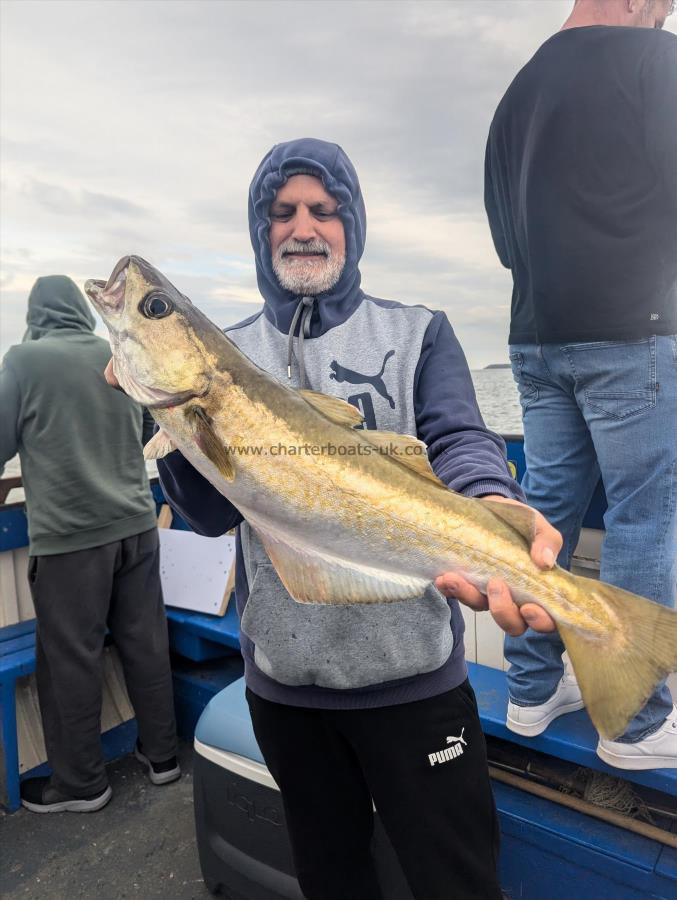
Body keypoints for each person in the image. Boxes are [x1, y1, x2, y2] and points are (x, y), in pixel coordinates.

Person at [154, 138, 561, 900]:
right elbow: (207, 513)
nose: (303, 227)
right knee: (331, 880)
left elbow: (458, 438)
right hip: (286, 690)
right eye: (282, 213)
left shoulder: (416, 334)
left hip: (413, 684)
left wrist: (491, 502)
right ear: (259, 228)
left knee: (458, 881)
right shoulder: (226, 353)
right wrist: (172, 422)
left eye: (323, 210)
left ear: (353, 224)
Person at [484, 0, 677, 769]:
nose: (662, 24)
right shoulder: (653, 64)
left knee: (543, 515)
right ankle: (632, 724)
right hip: (633, 332)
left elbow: (505, 239)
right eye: (661, 10)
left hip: (534, 337)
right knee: (643, 521)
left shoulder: (516, 92)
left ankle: (531, 691)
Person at [0, 275, 180, 813]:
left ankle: (81, 785)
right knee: (146, 643)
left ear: (37, 314)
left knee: (70, 660)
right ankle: (163, 757)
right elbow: (149, 427)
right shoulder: (114, 353)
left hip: (71, 542)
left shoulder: (24, 362)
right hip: (135, 526)